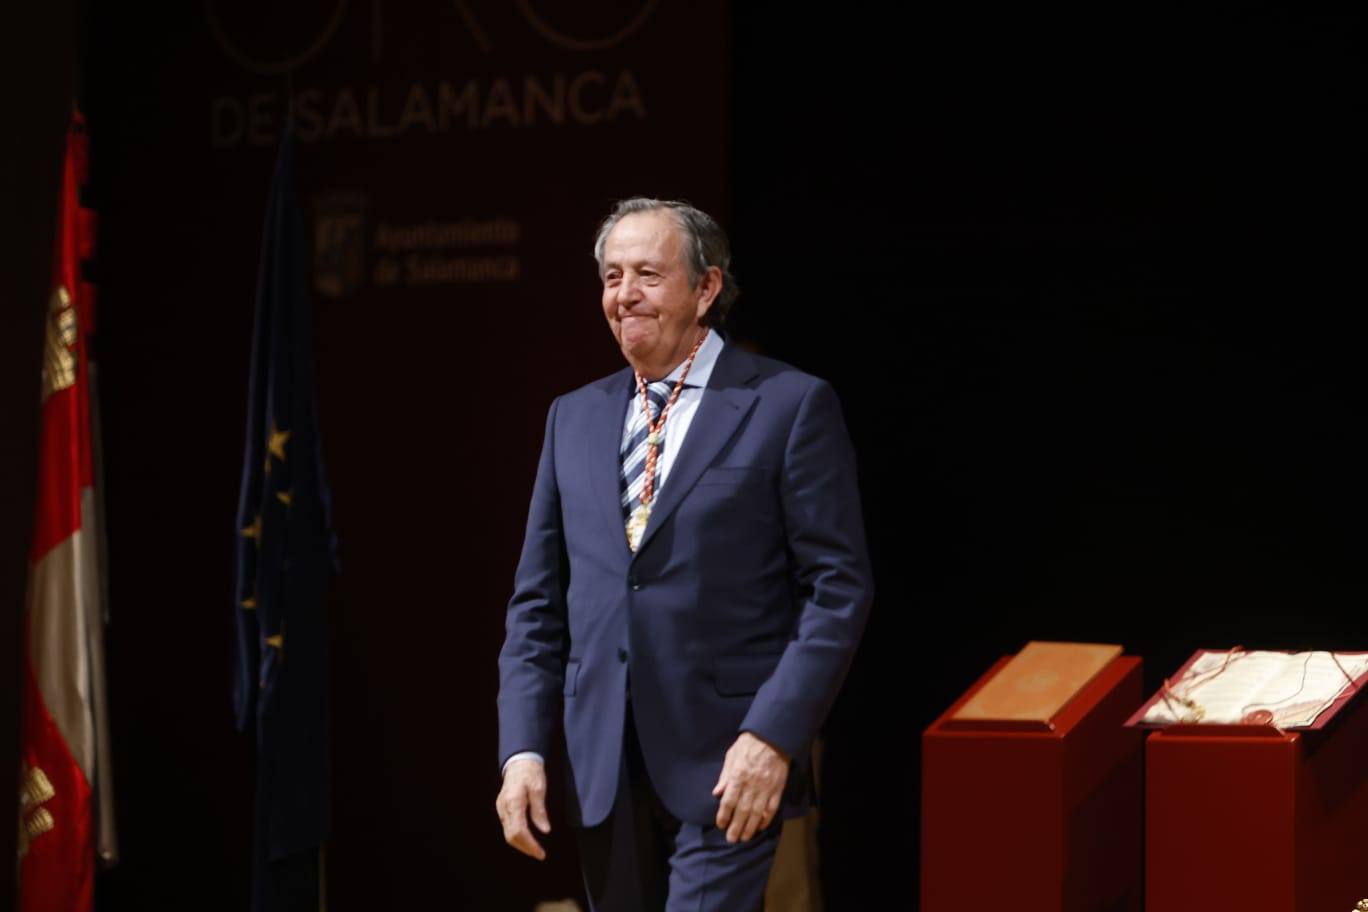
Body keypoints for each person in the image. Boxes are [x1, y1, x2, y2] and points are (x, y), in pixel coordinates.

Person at [495, 198, 873, 911]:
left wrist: (774, 735)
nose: (624, 294)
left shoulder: (788, 405)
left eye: (648, 273)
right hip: (600, 761)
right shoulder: (570, 417)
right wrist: (522, 751)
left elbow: (839, 589)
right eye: (611, 276)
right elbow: (537, 605)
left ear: (706, 289)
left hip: (731, 761)